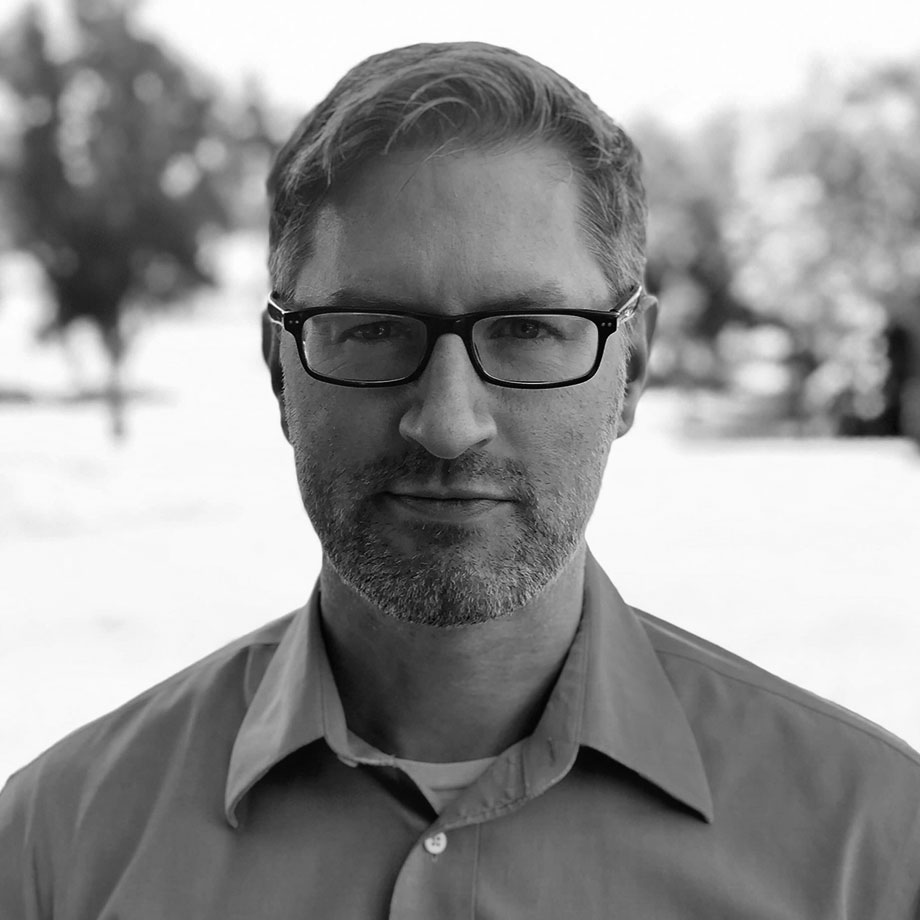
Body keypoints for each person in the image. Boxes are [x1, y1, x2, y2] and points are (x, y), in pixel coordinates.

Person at [1, 41, 918, 920]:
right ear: (282, 370)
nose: (446, 423)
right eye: (371, 330)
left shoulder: (871, 850)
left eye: (525, 330)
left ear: (631, 367)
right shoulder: (55, 851)